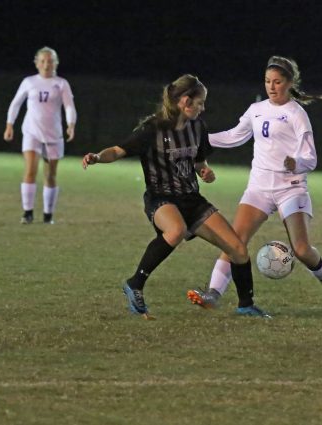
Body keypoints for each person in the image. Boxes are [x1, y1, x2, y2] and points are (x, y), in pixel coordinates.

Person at [82, 74, 270, 319]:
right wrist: (97, 157)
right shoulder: (153, 128)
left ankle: (246, 304)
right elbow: (118, 151)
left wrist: (204, 171)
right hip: (161, 198)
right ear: (185, 101)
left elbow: (199, 160)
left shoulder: (197, 128)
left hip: (191, 199)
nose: (202, 108)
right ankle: (135, 284)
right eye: (200, 103)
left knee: (237, 248)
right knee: (176, 230)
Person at [186, 56, 322, 311]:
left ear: (289, 83)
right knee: (234, 241)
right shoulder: (256, 109)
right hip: (259, 188)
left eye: (277, 82)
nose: (271, 87)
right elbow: (234, 136)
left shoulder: (297, 114)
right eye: (267, 81)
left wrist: (296, 163)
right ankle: (213, 294)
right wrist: (198, 138)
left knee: (302, 249)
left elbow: (311, 158)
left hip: (290, 188)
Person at [4, 46, 76, 224]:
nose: (46, 64)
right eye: (43, 61)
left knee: (50, 175)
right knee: (30, 171)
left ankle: (47, 215)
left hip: (53, 134)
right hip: (32, 131)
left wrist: (71, 124)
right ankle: (27, 213)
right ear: (37, 63)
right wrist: (9, 125)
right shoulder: (29, 82)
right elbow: (16, 103)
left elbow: (69, 106)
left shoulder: (61, 83)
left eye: (50, 61)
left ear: (55, 63)